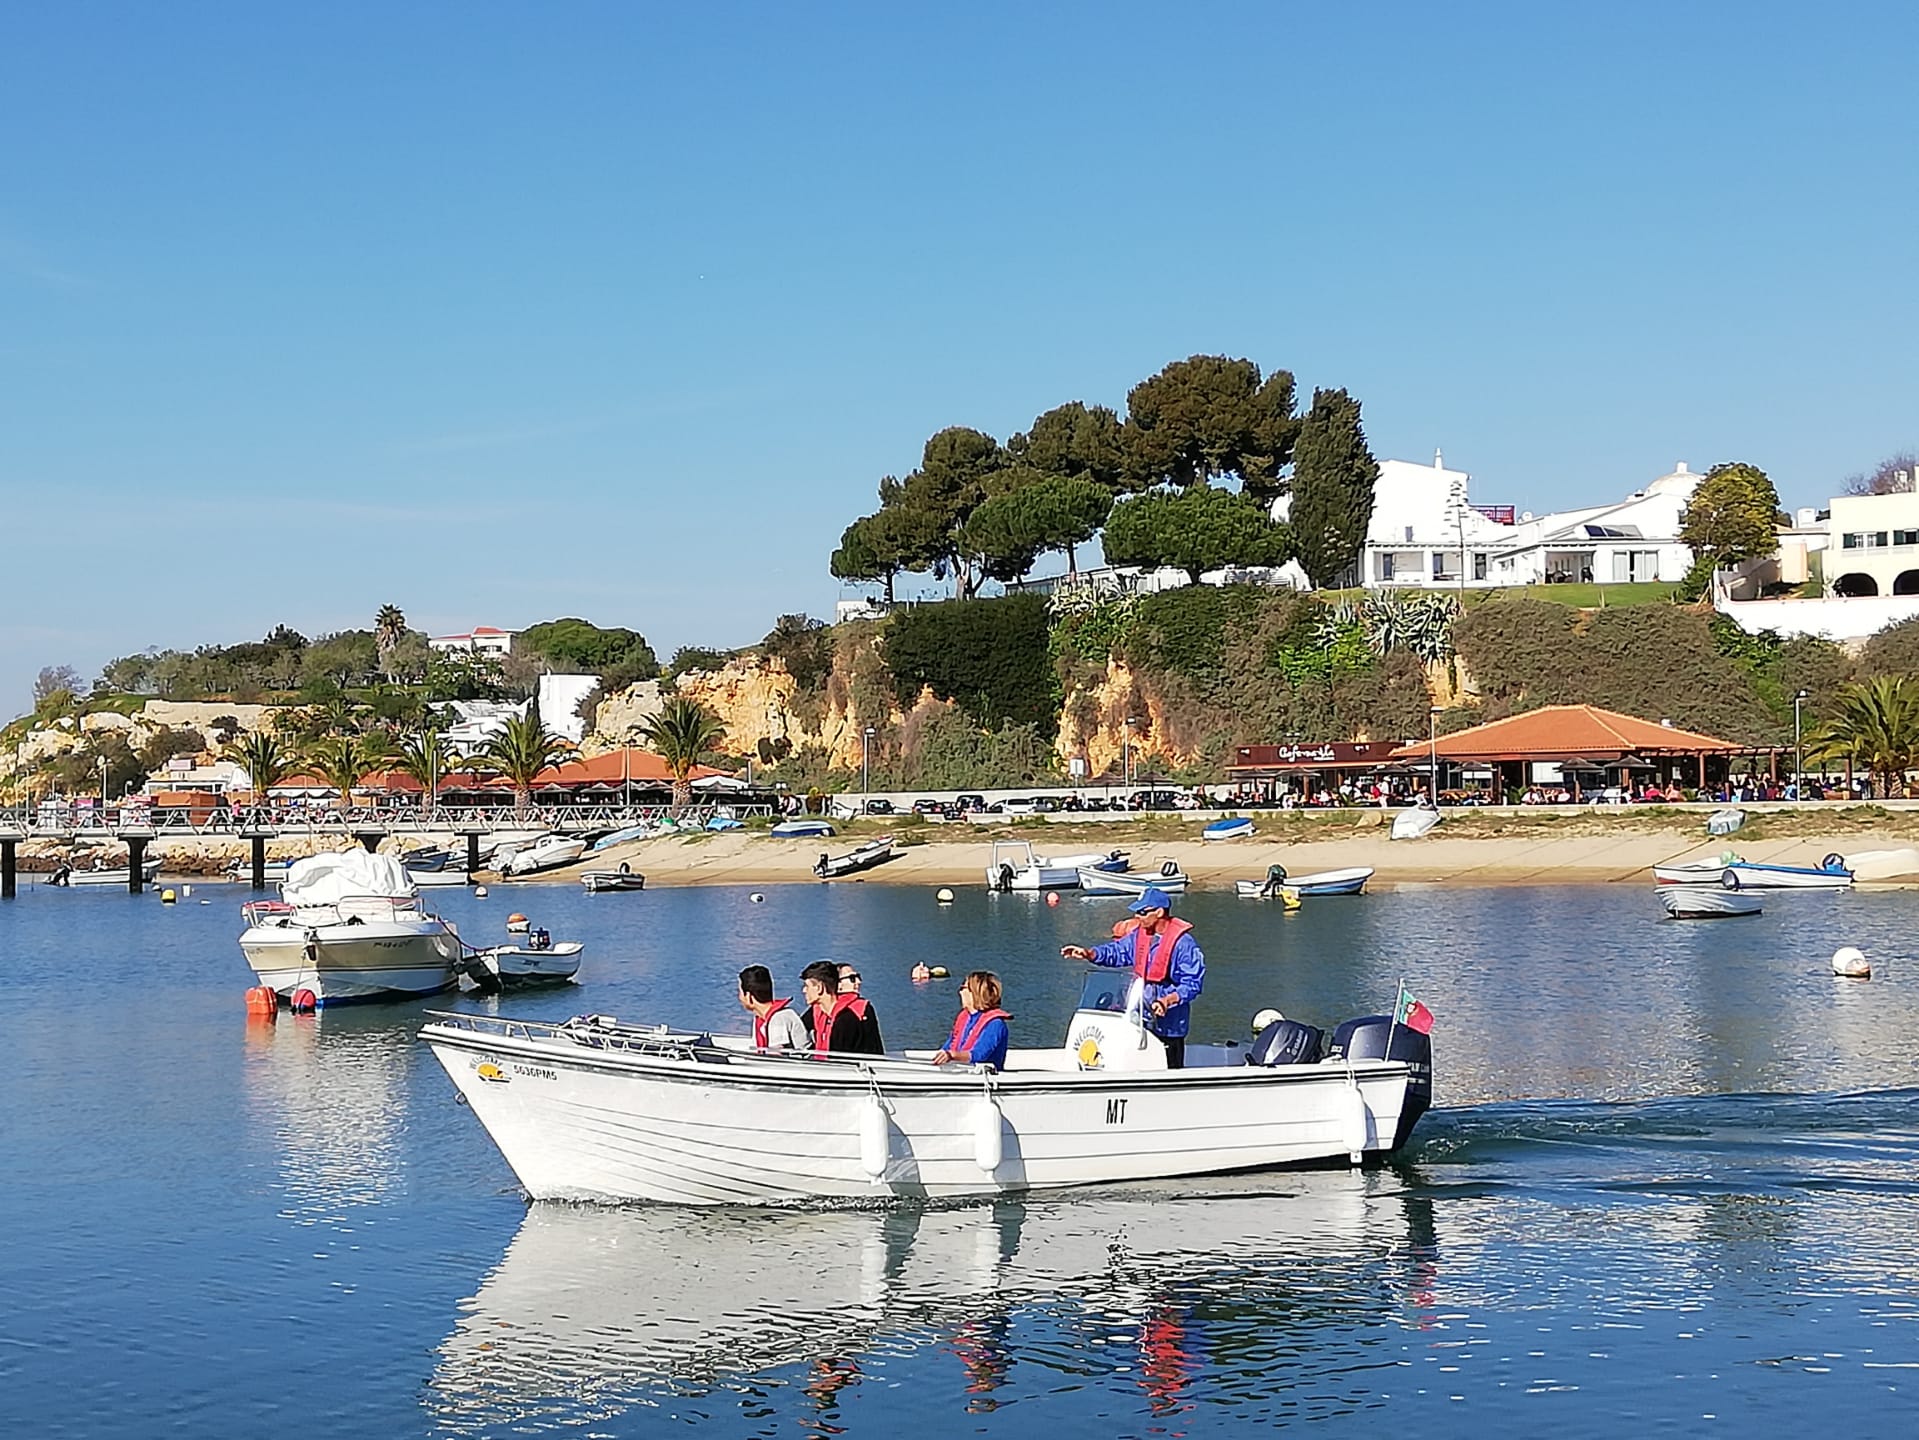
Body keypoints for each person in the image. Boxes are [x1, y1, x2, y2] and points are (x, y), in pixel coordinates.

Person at [1061, 886, 1205, 1068]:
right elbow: (1117, 951)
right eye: (1137, 912)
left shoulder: (1184, 945)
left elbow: (1192, 984)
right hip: (1138, 1018)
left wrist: (1166, 1001)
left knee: (1167, 1066)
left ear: (1159, 912)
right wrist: (1089, 954)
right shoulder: (1140, 935)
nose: (1138, 916)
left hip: (1169, 1024)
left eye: (1143, 912)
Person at [801, 960, 885, 1055]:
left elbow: (841, 1055)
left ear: (820, 988)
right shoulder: (818, 1009)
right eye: (852, 978)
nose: (858, 982)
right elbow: (800, 1028)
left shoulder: (852, 1014)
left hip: (855, 1067)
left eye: (807, 986)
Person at [934, 970, 1010, 1071]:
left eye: (963, 988)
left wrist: (952, 1055)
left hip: (984, 1076)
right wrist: (944, 1054)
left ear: (974, 993)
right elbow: (949, 1045)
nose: (960, 992)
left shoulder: (995, 1024)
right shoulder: (965, 1018)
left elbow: (979, 1055)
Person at [738, 964, 806, 1051]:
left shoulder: (778, 1019)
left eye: (740, 992)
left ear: (748, 996)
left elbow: (777, 1057)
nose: (739, 997)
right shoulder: (761, 1017)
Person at [836, 963, 885, 1053]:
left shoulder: (821, 1006)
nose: (858, 981)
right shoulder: (863, 1008)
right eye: (852, 978)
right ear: (838, 984)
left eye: (858, 977)